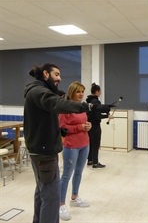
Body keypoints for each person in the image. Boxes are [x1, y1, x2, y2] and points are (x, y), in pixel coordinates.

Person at [23, 63, 101, 223]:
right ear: (45, 74)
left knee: (43, 193)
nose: (60, 78)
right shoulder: (39, 92)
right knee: (51, 199)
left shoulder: (40, 91)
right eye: (56, 74)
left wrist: (61, 132)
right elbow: (58, 104)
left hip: (42, 149)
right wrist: (88, 105)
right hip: (44, 152)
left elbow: (47, 121)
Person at [58, 81, 92, 221]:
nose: (81, 94)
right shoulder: (64, 108)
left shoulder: (82, 108)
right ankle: (60, 204)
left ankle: (75, 197)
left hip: (85, 143)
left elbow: (84, 123)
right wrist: (80, 127)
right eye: (78, 91)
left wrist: (88, 126)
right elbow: (62, 129)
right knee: (66, 175)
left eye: (82, 91)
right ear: (72, 92)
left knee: (79, 172)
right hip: (71, 145)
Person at [86, 83, 113, 168]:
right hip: (95, 126)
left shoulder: (89, 101)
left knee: (90, 143)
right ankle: (95, 163)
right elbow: (98, 115)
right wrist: (107, 116)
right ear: (97, 92)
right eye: (100, 91)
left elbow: (98, 110)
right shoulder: (96, 102)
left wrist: (107, 108)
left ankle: (90, 160)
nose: (101, 93)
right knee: (96, 144)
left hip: (89, 125)